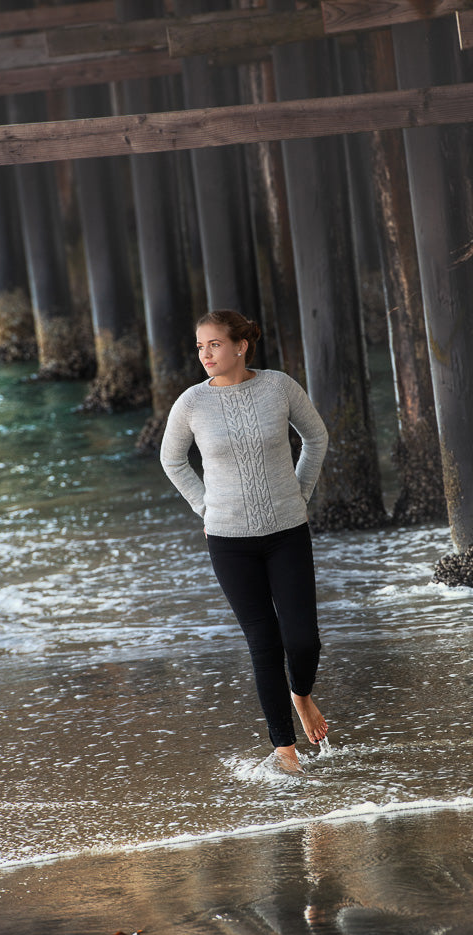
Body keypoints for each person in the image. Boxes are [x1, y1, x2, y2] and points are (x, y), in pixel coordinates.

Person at [160, 310, 329, 774]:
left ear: (240, 346)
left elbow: (315, 437)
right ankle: (285, 750)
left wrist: (300, 493)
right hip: (229, 541)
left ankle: (302, 695)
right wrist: (204, 508)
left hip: (287, 532)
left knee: (304, 639)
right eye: (199, 346)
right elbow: (172, 460)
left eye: (214, 344)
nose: (205, 354)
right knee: (263, 643)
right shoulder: (192, 403)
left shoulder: (277, 386)